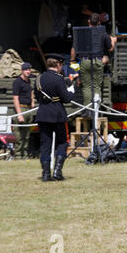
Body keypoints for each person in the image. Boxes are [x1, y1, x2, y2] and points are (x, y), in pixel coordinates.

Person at [34, 54, 75, 182]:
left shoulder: (39, 78)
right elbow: (67, 98)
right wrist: (72, 89)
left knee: (45, 144)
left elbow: (37, 97)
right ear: (58, 64)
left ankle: (46, 174)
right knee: (62, 142)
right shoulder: (58, 79)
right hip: (57, 114)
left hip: (43, 114)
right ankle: (57, 171)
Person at [70, 13, 115, 114]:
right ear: (99, 22)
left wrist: (72, 62)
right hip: (97, 61)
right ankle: (96, 110)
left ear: (88, 21)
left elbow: (73, 49)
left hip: (84, 61)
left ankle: (87, 110)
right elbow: (110, 49)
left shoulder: (81, 33)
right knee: (96, 86)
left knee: (86, 87)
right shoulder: (103, 33)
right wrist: (114, 41)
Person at [12, 62, 35, 159]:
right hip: (21, 108)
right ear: (22, 71)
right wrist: (19, 114)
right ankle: (18, 155)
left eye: (29, 70)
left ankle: (24, 154)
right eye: (26, 70)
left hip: (28, 109)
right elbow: (15, 98)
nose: (28, 71)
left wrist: (32, 101)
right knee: (19, 136)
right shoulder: (17, 82)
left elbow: (31, 92)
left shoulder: (28, 81)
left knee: (26, 135)